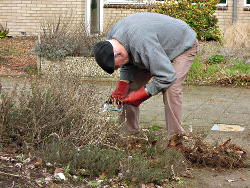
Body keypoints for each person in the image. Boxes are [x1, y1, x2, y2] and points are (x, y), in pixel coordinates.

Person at [93, 12, 198, 142]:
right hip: (152, 49)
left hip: (182, 44)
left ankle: (176, 139)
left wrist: (143, 94)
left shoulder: (142, 45)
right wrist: (123, 84)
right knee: (129, 89)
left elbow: (166, 76)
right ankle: (129, 135)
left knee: (171, 88)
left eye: (116, 67)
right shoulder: (111, 42)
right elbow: (127, 61)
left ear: (117, 54)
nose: (117, 69)